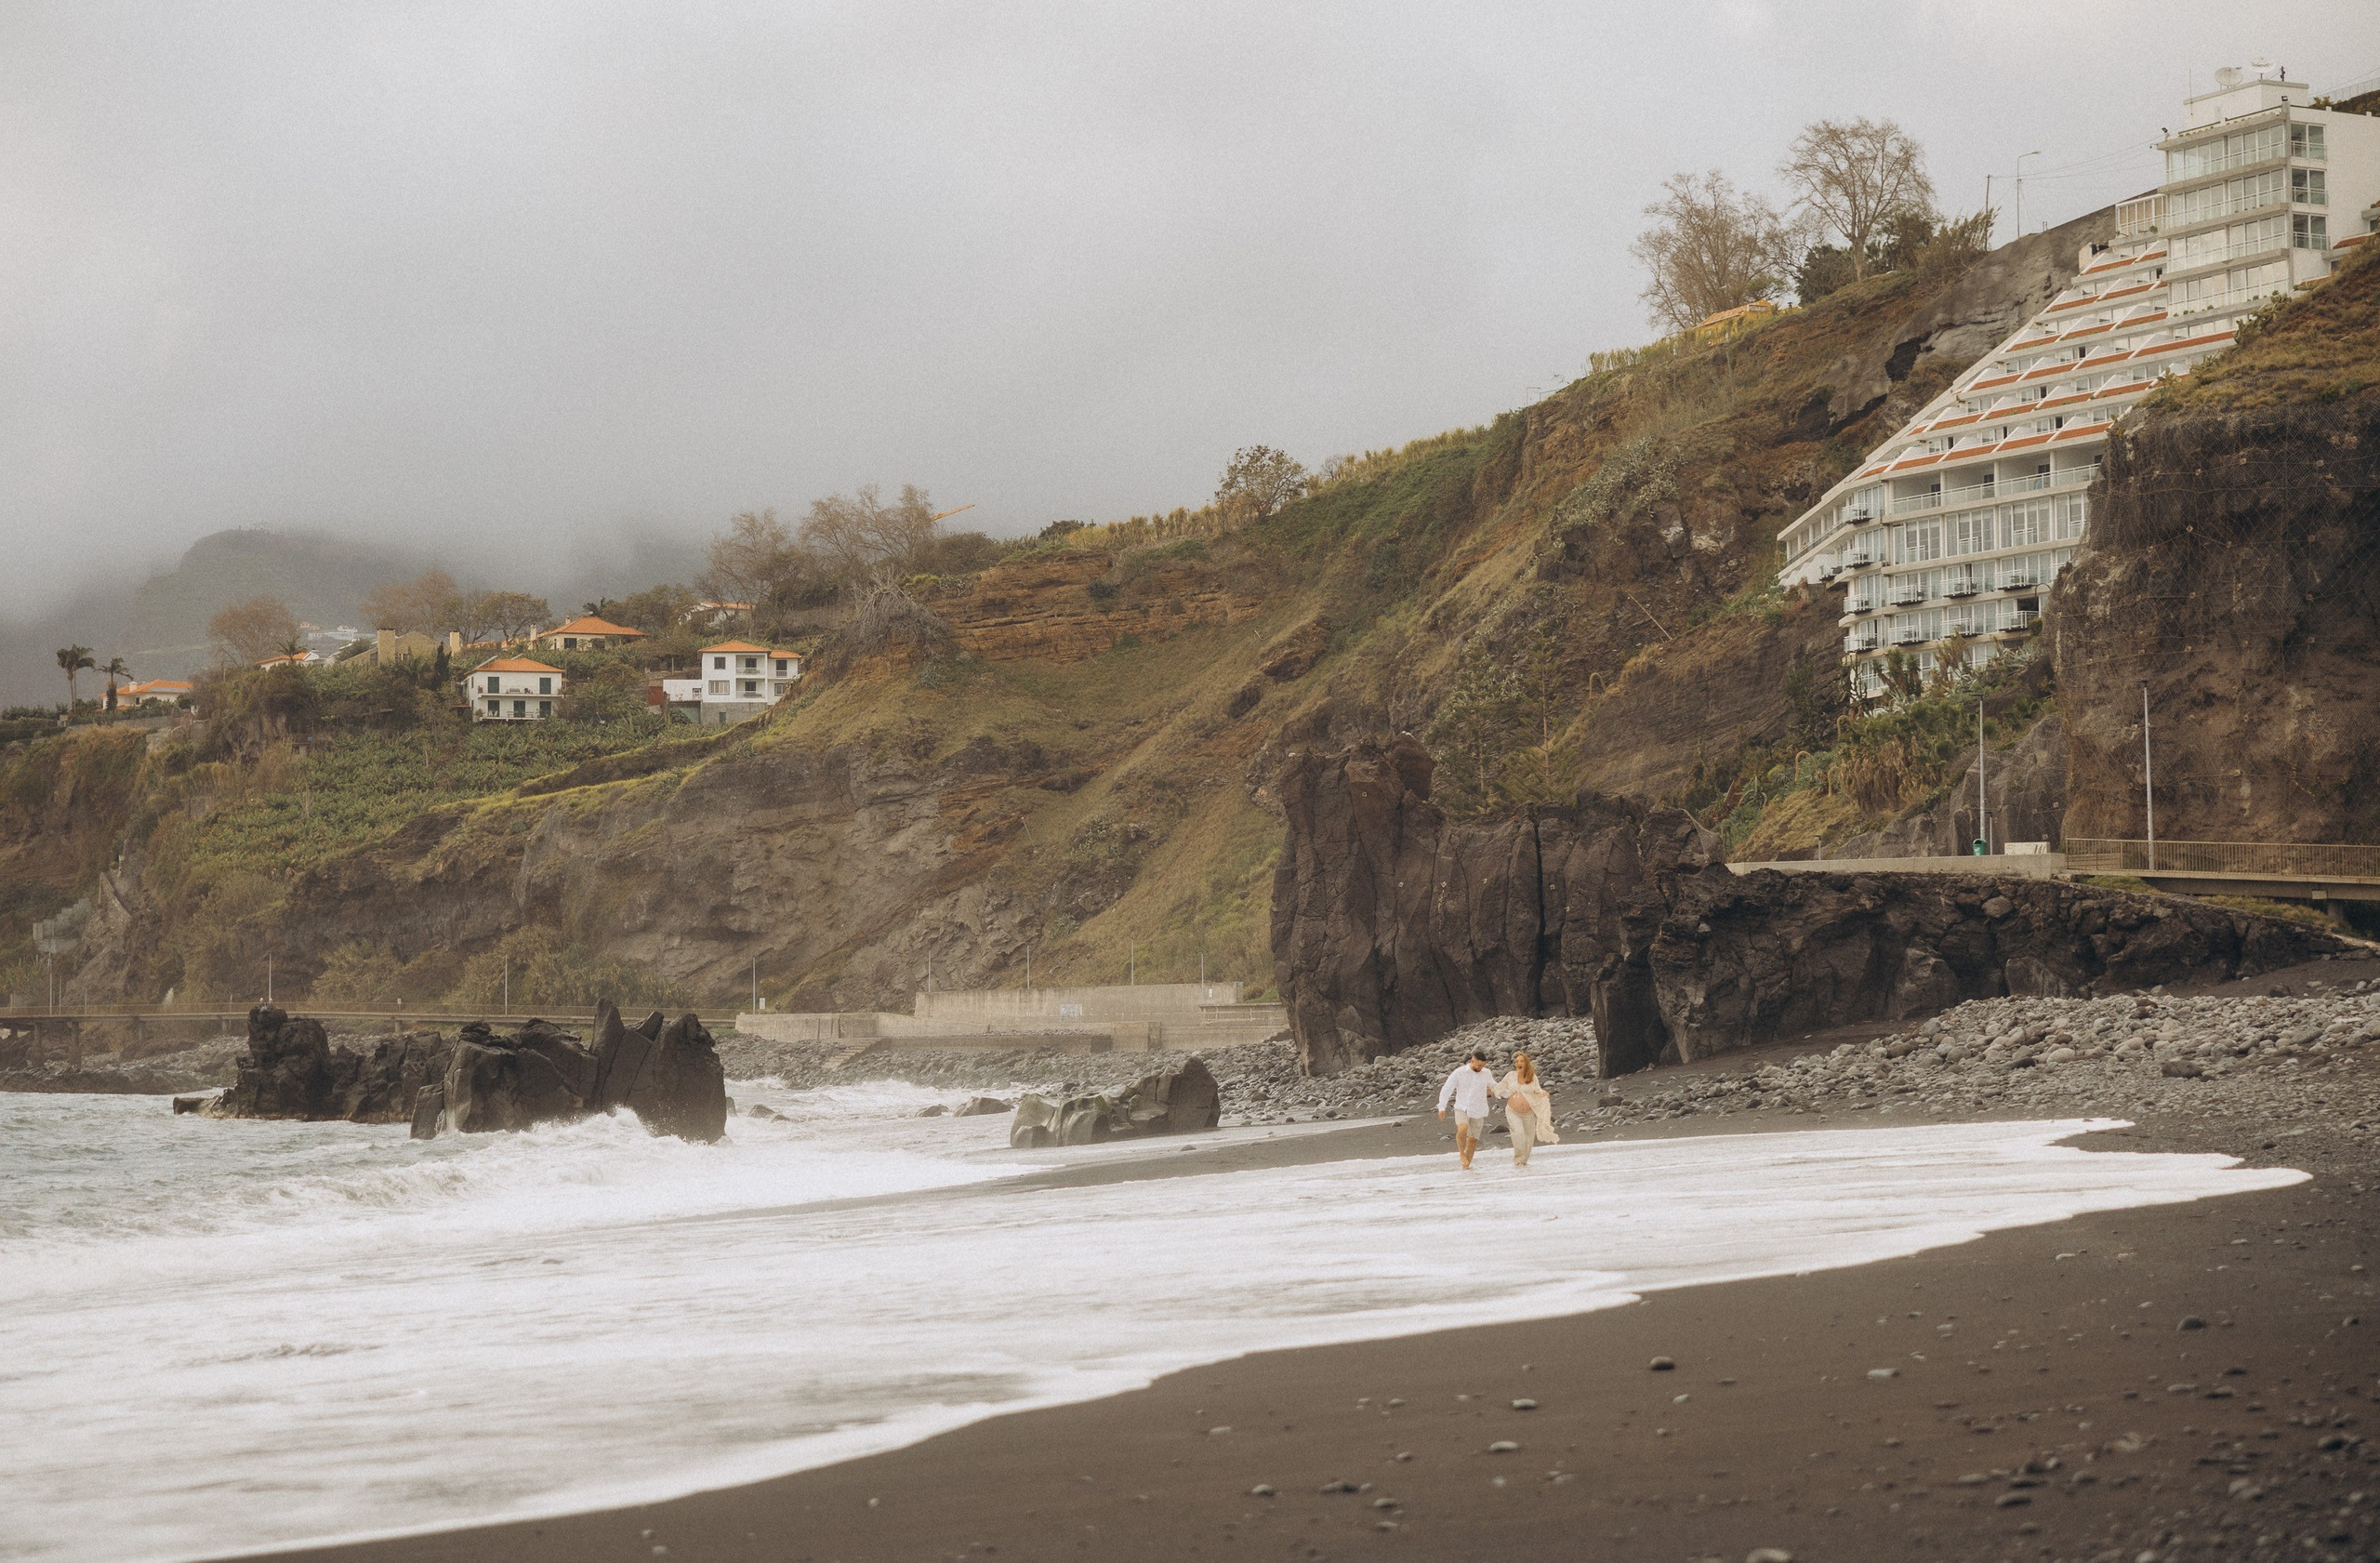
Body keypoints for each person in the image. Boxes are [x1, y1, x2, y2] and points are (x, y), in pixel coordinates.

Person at [1436, 1048, 1499, 1170]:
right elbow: (1447, 1088)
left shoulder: (1486, 1073)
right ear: (1472, 1061)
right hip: (1462, 1107)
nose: (1481, 1068)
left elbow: (1494, 1086)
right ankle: (1461, 1154)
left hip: (1478, 1109)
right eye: (1479, 1065)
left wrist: (1508, 1091)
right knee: (1463, 1127)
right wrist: (1442, 1107)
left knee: (1472, 1141)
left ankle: (1466, 1169)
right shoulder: (1459, 1072)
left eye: (1483, 1065)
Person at [1497, 1051, 1559, 1167]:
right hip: (1512, 1110)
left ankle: (1524, 1162)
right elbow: (1500, 1087)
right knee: (1519, 1133)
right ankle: (1518, 1160)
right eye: (1517, 1061)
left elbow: (1537, 1090)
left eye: (1521, 1061)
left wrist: (1543, 1093)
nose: (1519, 1063)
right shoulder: (1510, 1075)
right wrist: (1497, 1092)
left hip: (1528, 1112)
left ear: (1526, 1063)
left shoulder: (1532, 1077)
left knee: (1529, 1138)